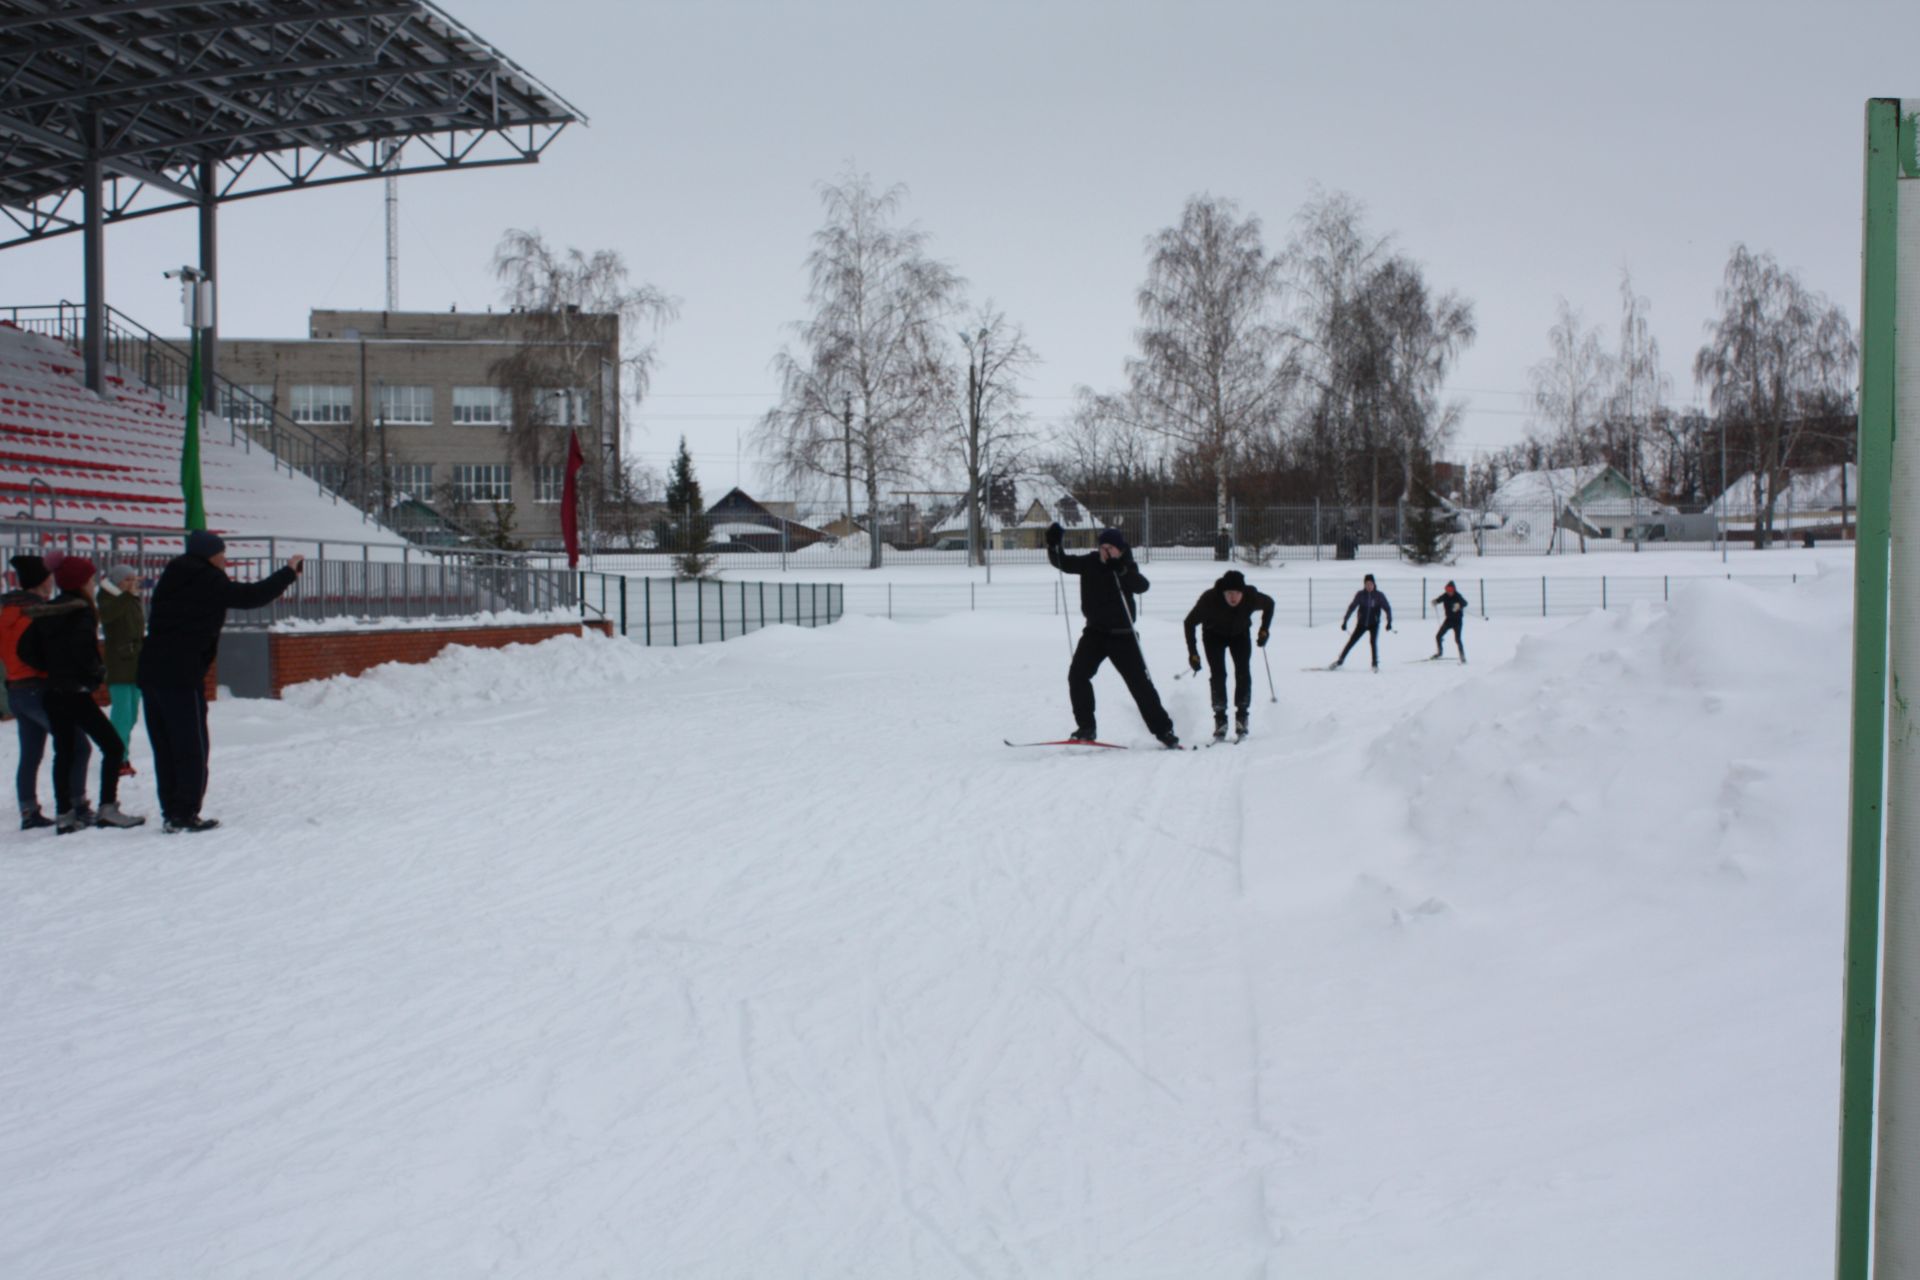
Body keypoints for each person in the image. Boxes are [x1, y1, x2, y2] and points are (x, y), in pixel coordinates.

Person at [137, 531, 305, 834]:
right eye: (222, 554)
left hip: (152, 673)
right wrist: (288, 572)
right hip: (181, 673)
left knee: (165, 745)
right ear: (209, 555)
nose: (225, 559)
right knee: (191, 744)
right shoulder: (205, 578)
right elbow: (251, 597)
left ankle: (172, 810)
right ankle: (185, 813)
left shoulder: (174, 575)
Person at [18, 557, 145, 831]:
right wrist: (93, 675)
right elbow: (83, 651)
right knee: (112, 746)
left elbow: (25, 650)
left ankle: (65, 814)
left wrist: (51, 668)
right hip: (74, 691)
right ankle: (107, 808)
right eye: (89, 579)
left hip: (52, 690)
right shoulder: (81, 612)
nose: (91, 583)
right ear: (80, 582)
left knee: (63, 752)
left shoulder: (47, 610)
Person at [1046, 521, 1180, 748]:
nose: (1106, 551)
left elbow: (1141, 586)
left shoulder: (1125, 565)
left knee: (1140, 685)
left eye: (1111, 547)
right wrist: (1053, 545)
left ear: (1120, 549)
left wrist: (1121, 569)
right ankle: (1086, 727)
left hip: (1123, 636)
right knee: (1077, 676)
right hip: (1095, 634)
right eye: (1103, 546)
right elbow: (1064, 563)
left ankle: (1164, 730)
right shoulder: (1090, 562)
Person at [2, 553, 88, 829]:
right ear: (41, 581)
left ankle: (29, 810)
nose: (52, 582)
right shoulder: (37, 613)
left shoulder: (7, 612)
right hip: (38, 688)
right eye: (48, 578)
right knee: (77, 745)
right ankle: (76, 804)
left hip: (16, 689)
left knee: (31, 752)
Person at [1183, 569, 1275, 740]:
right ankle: (1220, 719)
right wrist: (1193, 653)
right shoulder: (1209, 599)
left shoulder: (1251, 597)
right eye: (1229, 593)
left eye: (1237, 593)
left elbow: (1270, 604)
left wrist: (1264, 630)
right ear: (1223, 592)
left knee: (1243, 672)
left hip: (1240, 635)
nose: (1233, 598)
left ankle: (1242, 716)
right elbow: (1189, 623)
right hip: (1213, 635)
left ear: (1243, 592)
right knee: (1218, 674)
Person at [98, 564, 145, 773]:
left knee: (133, 714)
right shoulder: (108, 599)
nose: (131, 583)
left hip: (135, 663)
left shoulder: (132, 599)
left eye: (133, 579)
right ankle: (119, 757)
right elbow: (109, 616)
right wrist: (127, 595)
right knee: (122, 714)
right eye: (127, 579)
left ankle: (119, 751)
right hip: (119, 664)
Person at [1332, 573, 1393, 671]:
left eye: (1371, 584)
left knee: (1373, 642)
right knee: (1351, 642)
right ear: (1364, 584)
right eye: (1367, 584)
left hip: (1374, 624)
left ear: (1374, 584)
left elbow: (1387, 608)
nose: (1369, 586)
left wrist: (1389, 622)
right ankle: (1340, 660)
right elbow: (1352, 607)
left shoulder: (1379, 596)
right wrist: (1345, 621)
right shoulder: (1360, 595)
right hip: (1362, 624)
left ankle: (1374, 663)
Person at [1431, 580, 1469, 663]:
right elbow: (1439, 599)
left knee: (1457, 639)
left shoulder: (1458, 596)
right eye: (1447, 590)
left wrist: (1459, 605)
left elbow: (1465, 603)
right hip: (1448, 620)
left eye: (1450, 590)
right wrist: (1435, 602)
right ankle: (1439, 653)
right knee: (1438, 636)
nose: (1449, 592)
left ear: (1454, 589)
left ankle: (1462, 656)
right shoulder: (1445, 596)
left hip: (1457, 621)